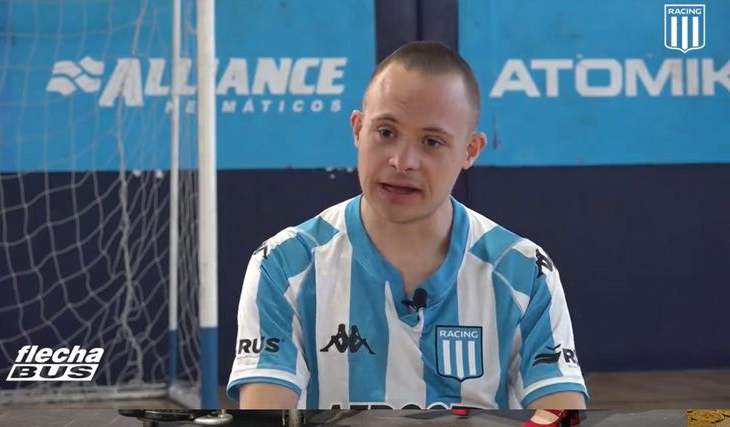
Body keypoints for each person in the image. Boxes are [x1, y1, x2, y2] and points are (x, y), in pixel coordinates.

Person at [226, 41, 588, 426]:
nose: (402, 161)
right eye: (385, 132)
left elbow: (560, 414)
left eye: (431, 142)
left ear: (470, 150)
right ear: (358, 129)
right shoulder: (283, 266)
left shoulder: (525, 271)